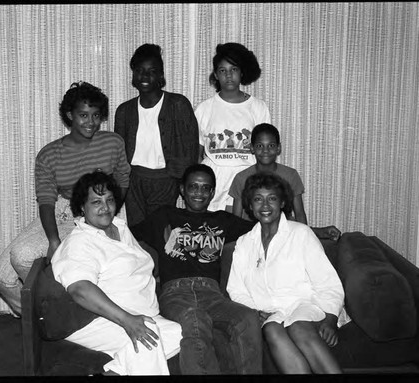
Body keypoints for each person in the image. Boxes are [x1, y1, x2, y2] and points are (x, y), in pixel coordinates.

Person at [0, 82, 131, 316]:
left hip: (97, 208)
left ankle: (61, 310)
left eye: (96, 115)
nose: (91, 122)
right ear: (70, 115)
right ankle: (43, 315)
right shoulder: (49, 153)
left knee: (22, 256)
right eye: (83, 115)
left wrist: (110, 210)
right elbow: (46, 199)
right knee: (1, 276)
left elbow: (123, 178)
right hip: (64, 210)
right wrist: (53, 240)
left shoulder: (113, 142)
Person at [130, 164, 262, 375]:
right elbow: (127, 233)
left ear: (212, 193)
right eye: (193, 187)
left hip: (212, 295)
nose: (199, 193)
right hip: (175, 295)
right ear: (182, 189)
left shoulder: (222, 220)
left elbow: (267, 226)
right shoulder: (165, 216)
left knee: (247, 318)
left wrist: (318, 231)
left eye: (205, 188)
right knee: (194, 319)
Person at [52, 171, 182, 376]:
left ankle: (116, 371)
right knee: (149, 338)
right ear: (81, 207)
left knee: (179, 334)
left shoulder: (120, 228)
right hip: (95, 318)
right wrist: (127, 320)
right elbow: (80, 289)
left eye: (109, 200)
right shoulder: (80, 242)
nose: (105, 207)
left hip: (140, 312)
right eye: (96, 202)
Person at [227, 172, 348, 374]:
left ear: (282, 202)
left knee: (299, 325)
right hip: (274, 313)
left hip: (309, 304)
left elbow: (327, 281)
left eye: (272, 198)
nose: (265, 205)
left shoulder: (301, 233)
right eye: (258, 199)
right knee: (271, 329)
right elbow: (236, 288)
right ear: (250, 205)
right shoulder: (244, 243)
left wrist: (330, 318)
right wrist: (254, 312)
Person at [114, 43, 199, 226]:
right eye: (139, 70)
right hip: (133, 182)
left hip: (166, 180)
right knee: (137, 233)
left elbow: (191, 148)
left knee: (159, 232)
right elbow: (118, 155)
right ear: (133, 74)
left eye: (152, 71)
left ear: (160, 75)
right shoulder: (124, 111)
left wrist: (183, 181)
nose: (144, 76)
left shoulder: (178, 104)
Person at [229, 123, 341, 241]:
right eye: (260, 146)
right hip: (252, 234)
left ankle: (317, 233)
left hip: (285, 233)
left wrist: (305, 238)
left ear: (278, 148)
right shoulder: (241, 178)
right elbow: (236, 219)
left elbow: (299, 213)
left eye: (271, 145)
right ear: (252, 148)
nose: (266, 150)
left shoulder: (290, 175)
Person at [195, 42, 271, 213]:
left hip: (246, 178)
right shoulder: (204, 108)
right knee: (215, 233)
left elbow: (265, 151)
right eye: (223, 70)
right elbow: (197, 153)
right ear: (216, 74)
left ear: (241, 72)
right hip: (215, 179)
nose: (228, 75)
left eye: (234, 69)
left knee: (242, 231)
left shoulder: (258, 107)